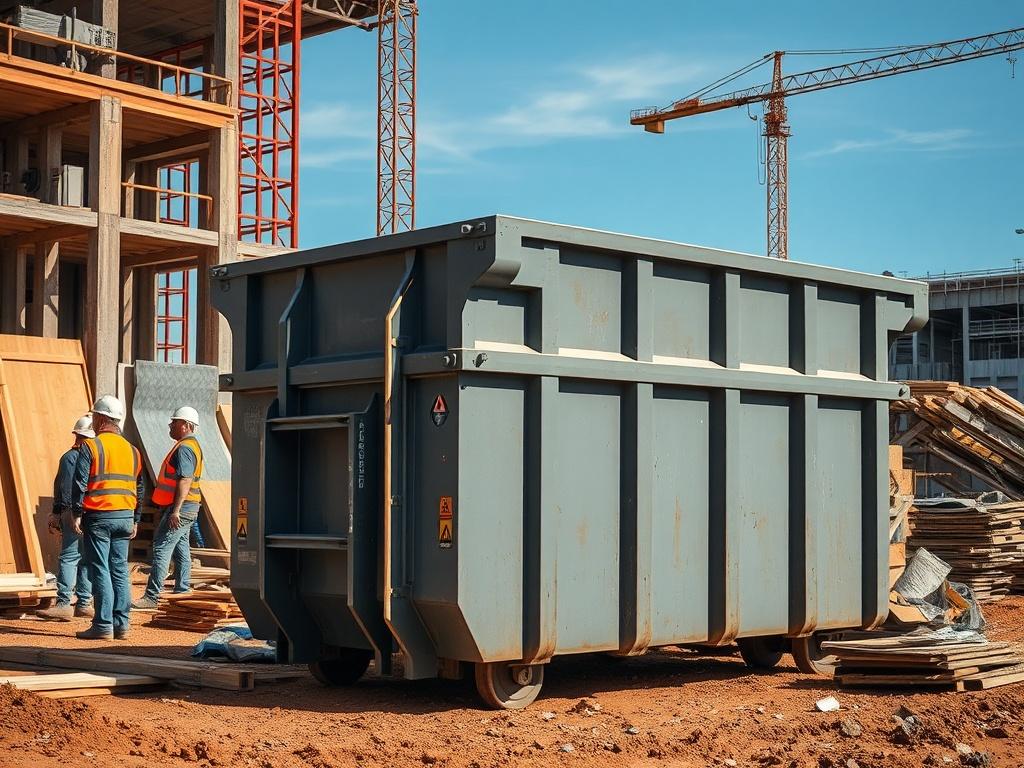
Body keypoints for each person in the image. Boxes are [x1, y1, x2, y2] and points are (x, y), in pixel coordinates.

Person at [73, 395, 143, 640]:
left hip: (99, 516)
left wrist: (76, 513)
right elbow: (139, 487)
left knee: (100, 569)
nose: (92, 421)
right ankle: (121, 625)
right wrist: (136, 518)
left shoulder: (91, 446)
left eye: (94, 417)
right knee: (120, 570)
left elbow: (80, 482)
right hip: (125, 517)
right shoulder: (133, 451)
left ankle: (103, 625)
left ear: (102, 419)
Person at [132, 406, 204, 610]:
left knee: (162, 547)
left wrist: (176, 511)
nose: (170, 425)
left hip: (182, 507)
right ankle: (182, 590)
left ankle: (151, 597)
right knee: (181, 549)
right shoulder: (190, 446)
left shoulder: (185, 448)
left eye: (175, 422)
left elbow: (185, 479)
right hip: (188, 506)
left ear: (186, 425)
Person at [35, 415, 95, 621]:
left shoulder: (70, 457)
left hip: (73, 511)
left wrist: (58, 512)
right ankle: (84, 603)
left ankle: (63, 604)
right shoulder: (97, 456)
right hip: (93, 511)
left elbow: (66, 488)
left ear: (77, 435)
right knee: (86, 558)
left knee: (69, 556)